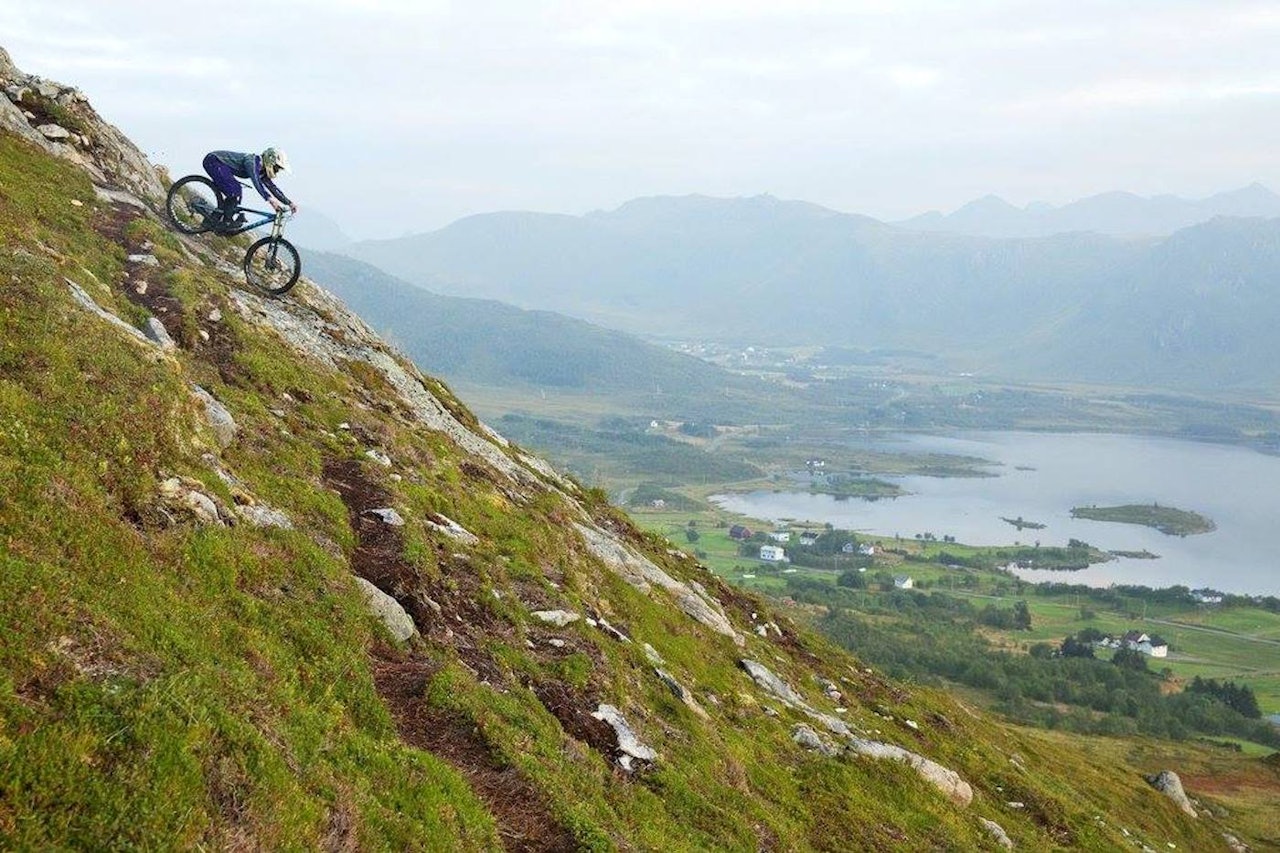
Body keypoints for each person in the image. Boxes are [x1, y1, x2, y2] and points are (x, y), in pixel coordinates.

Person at [201, 147, 298, 231]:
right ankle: (226, 222)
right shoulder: (252, 162)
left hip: (219, 164)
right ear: (270, 160)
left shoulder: (261, 170)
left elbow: (272, 187)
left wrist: (289, 203)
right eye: (276, 167)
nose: (276, 171)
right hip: (214, 161)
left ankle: (212, 221)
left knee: (234, 192)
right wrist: (270, 200)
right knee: (235, 190)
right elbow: (256, 181)